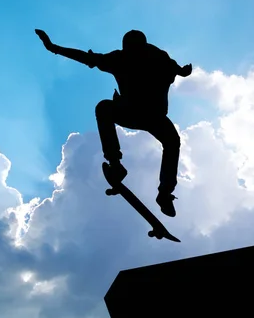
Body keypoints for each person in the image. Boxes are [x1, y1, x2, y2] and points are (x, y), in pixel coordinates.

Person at [35, 29, 192, 217]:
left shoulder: (152, 58)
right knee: (105, 109)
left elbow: (178, 69)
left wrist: (182, 72)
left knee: (171, 142)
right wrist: (54, 48)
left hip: (149, 115)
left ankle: (164, 193)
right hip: (141, 114)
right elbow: (87, 58)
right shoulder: (124, 58)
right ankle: (117, 165)